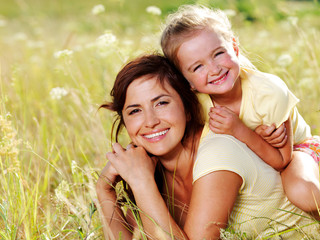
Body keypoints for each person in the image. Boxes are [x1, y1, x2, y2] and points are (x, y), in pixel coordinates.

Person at [96, 54, 318, 239]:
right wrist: (104, 190)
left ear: (188, 108)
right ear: (125, 122)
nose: (150, 121)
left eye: (161, 103)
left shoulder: (219, 150)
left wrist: (141, 184)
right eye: (135, 111)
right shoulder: (154, 171)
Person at [160, 4, 320, 215]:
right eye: (197, 67)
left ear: (234, 48)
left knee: (301, 191)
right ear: (186, 81)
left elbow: (282, 161)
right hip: (255, 163)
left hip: (297, 151)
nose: (214, 69)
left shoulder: (268, 92)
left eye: (218, 54)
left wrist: (241, 130)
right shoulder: (196, 104)